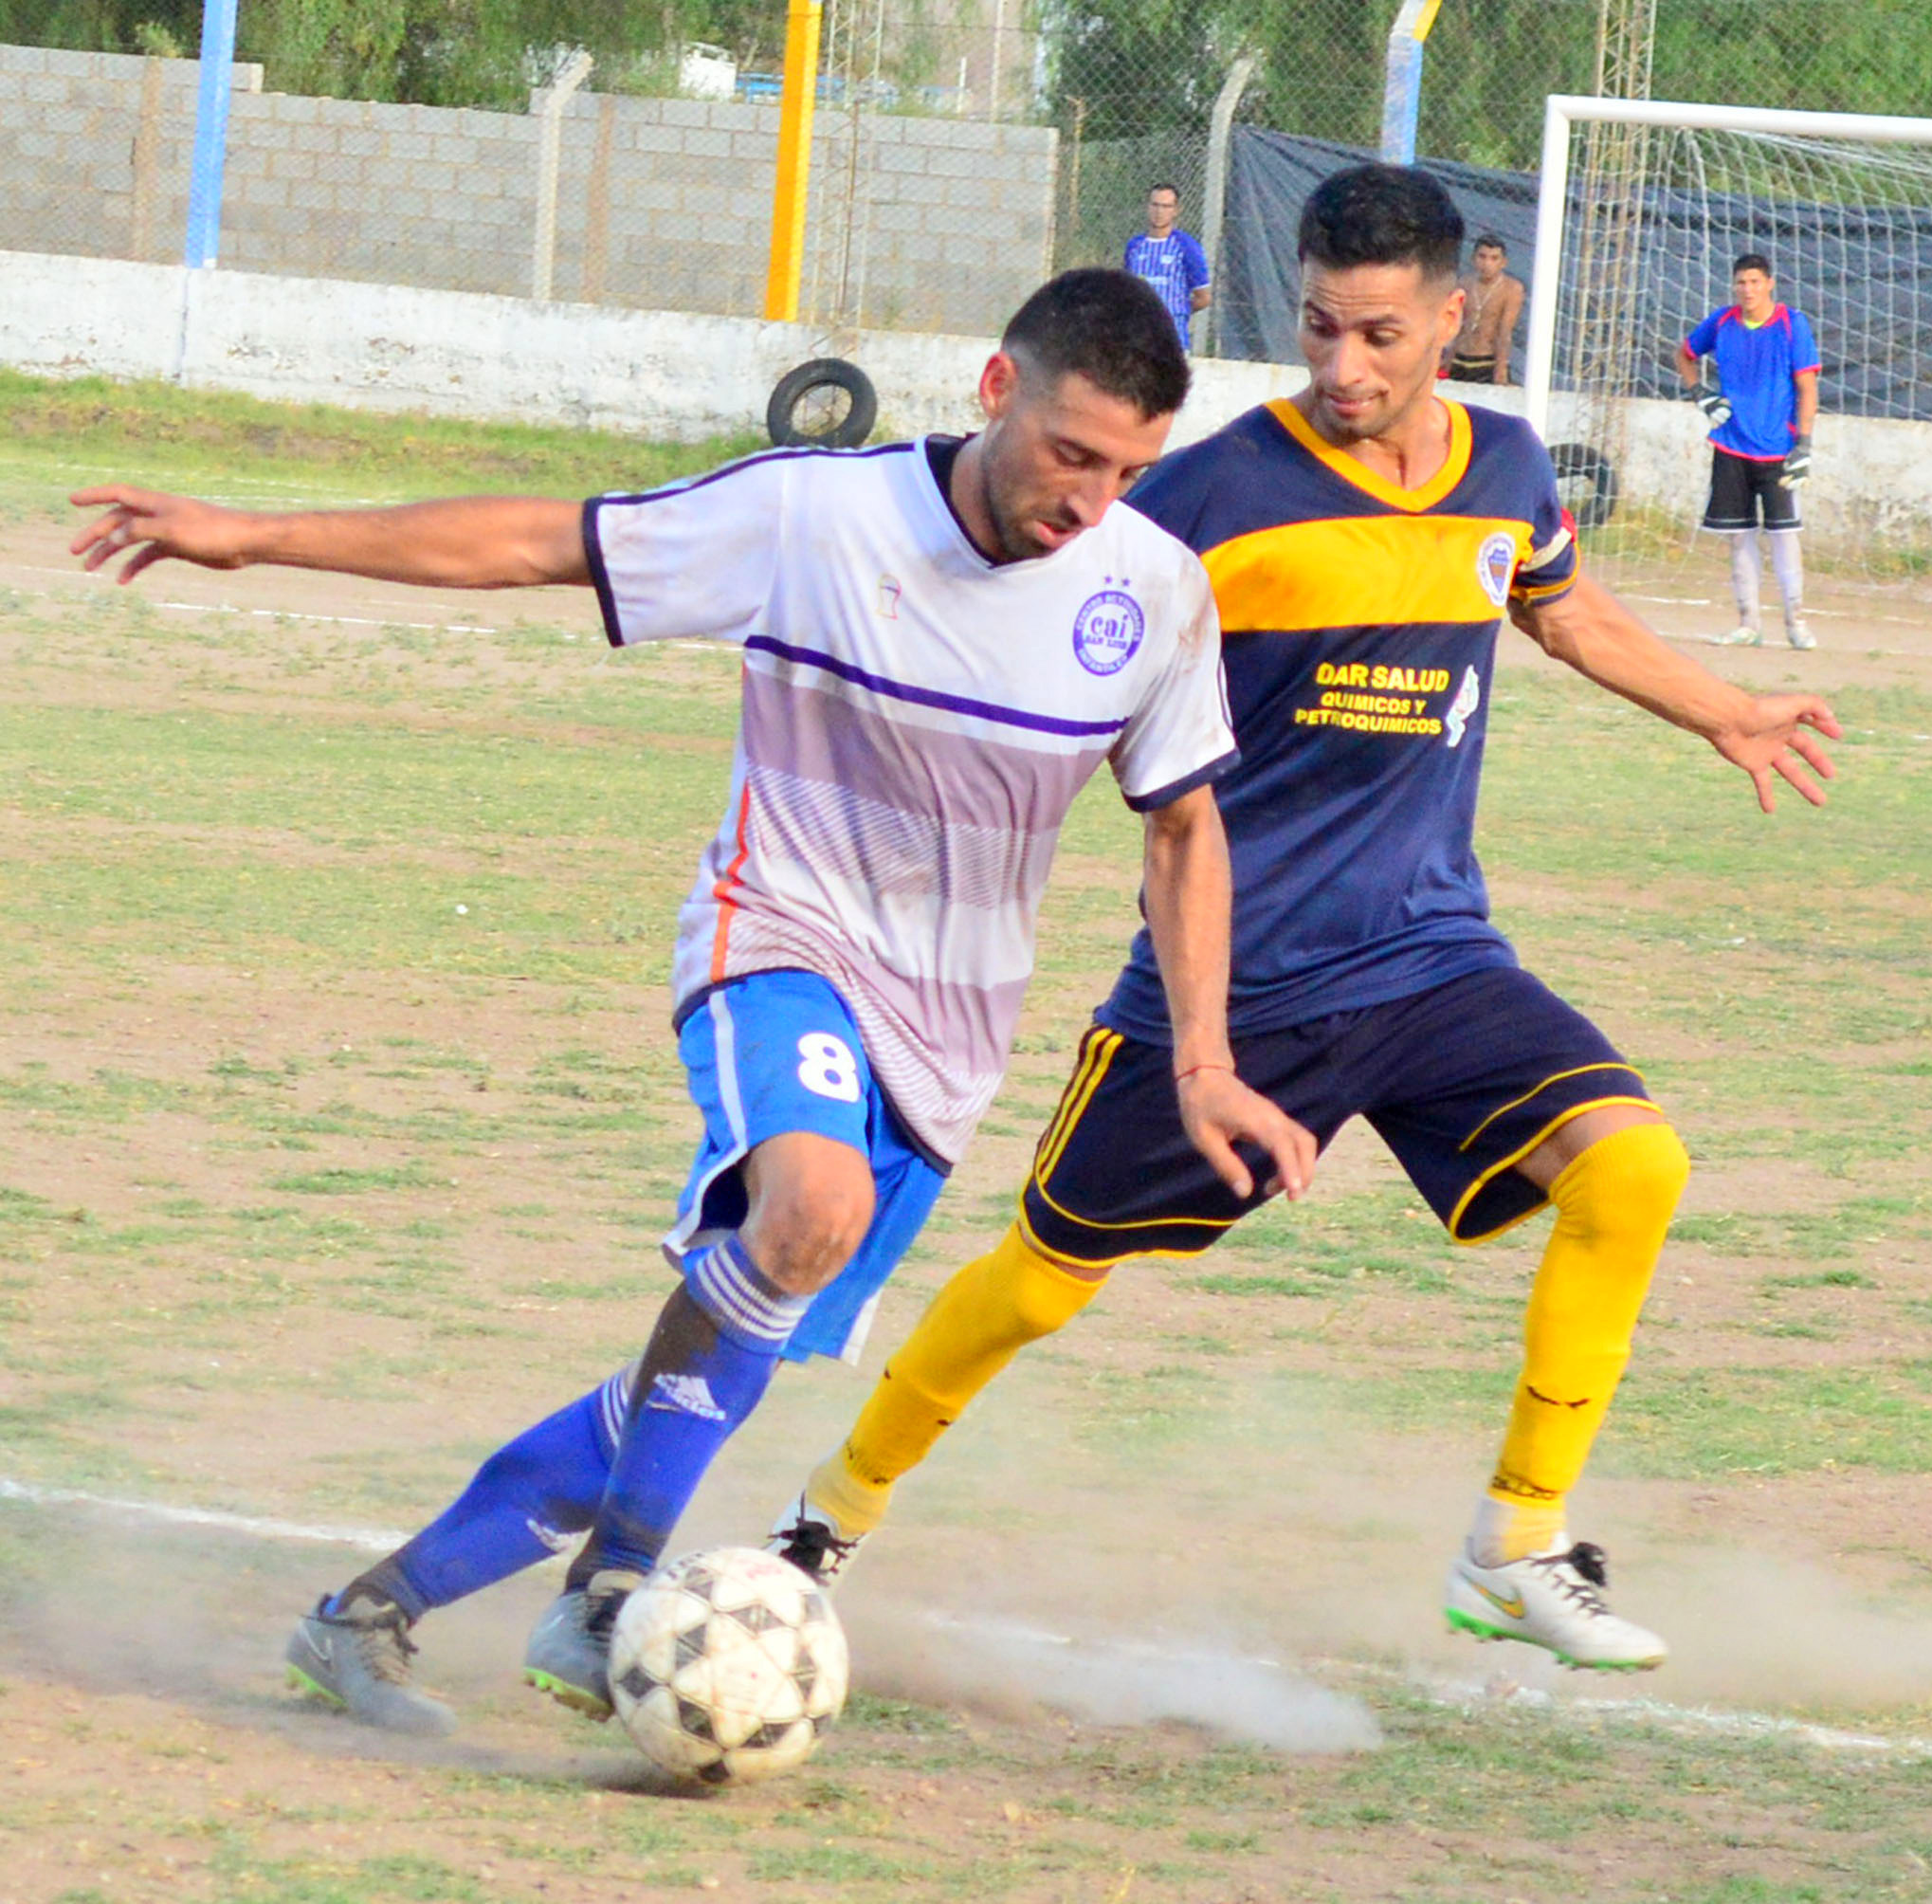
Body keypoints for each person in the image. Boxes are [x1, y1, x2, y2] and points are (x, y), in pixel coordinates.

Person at [65, 269, 1317, 1734]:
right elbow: (541, 541)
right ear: (995, 391)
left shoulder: (1151, 589)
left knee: (713, 1358)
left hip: (946, 1034)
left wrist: (1205, 1062)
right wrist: (256, 534)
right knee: (808, 1214)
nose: (1088, 498)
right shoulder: (815, 516)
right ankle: (609, 1595)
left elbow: (1181, 828)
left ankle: (367, 1619)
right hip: (771, 933)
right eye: (1068, 452)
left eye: (1127, 470)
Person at [763, 167, 1841, 1674]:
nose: (1343, 367)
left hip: (1427, 955)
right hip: (1228, 985)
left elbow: (1559, 606)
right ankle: (825, 1518)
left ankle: (1515, 1543)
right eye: (1320, 329)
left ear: (1454, 318)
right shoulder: (1212, 489)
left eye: (1380, 334)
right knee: (1038, 1284)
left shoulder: (1511, 468)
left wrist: (1723, 710)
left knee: (1633, 1166)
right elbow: (1039, 583)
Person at [1678, 252, 1821, 650]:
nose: (1748, 289)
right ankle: (1748, 623)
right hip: (1731, 445)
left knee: (1784, 537)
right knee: (1739, 536)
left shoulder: (1793, 325)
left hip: (1778, 449)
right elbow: (1685, 354)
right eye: (1741, 282)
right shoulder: (1722, 321)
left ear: (1770, 283)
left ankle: (1796, 621)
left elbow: (1808, 386)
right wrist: (1700, 394)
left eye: (1755, 282)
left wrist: (1804, 444)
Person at [1123, 182, 1213, 353]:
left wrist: (1176, 310)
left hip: (1172, 341)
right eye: (1155, 205)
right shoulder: (1135, 246)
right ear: (1147, 207)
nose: (1159, 212)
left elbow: (1204, 297)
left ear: (1175, 210)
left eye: (1166, 206)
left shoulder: (1186, 246)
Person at [1445, 233, 1524, 385]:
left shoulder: (1512, 288)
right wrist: (1447, 360)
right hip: (1460, 358)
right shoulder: (1464, 283)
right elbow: (1456, 324)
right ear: (1473, 258)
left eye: (1494, 258)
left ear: (1503, 263)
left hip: (1486, 361)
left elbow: (1505, 331)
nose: (1487, 264)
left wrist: (1501, 370)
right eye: (1482, 257)